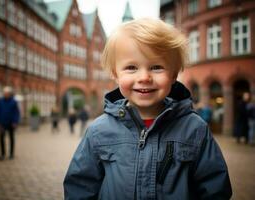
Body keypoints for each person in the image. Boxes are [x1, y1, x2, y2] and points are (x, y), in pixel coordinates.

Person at [64, 18, 232, 199]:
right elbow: (80, 186)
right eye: (131, 67)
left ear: (174, 73)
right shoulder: (98, 131)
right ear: (115, 73)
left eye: (156, 67)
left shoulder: (195, 129)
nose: (144, 77)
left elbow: (215, 189)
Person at [0, 86, 20, 161]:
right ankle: (2, 154)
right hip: (2, 123)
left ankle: (11, 154)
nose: (5, 94)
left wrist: (15, 122)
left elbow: (16, 113)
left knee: (11, 138)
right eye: (4, 93)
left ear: (10, 94)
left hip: (11, 123)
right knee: (1, 138)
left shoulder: (13, 102)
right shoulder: (0, 101)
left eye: (7, 93)